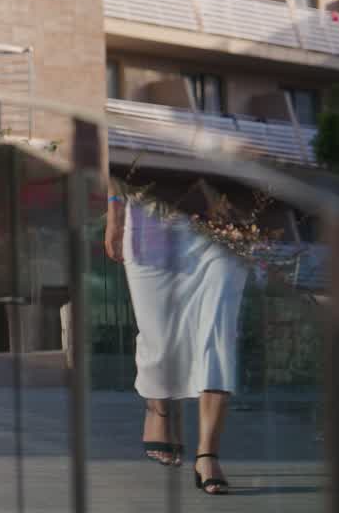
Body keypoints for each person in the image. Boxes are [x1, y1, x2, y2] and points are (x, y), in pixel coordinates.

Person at [105, 183, 247, 496]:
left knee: (218, 333)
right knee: (159, 336)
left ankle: (207, 453)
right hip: (150, 221)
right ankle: (160, 407)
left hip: (222, 222)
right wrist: (114, 217)